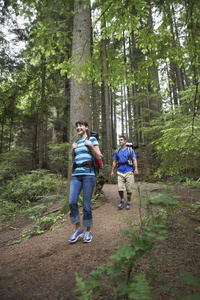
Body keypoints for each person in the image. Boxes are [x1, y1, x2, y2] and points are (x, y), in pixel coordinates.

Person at [68, 120, 101, 243]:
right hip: (76, 175)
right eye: (76, 126)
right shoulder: (75, 143)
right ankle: (78, 229)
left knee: (86, 205)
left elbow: (98, 156)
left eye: (81, 125)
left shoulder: (92, 140)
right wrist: (73, 150)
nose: (78, 128)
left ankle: (88, 231)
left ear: (86, 127)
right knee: (72, 202)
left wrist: (90, 146)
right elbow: (74, 160)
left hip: (88, 175)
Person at [110, 135, 138, 210]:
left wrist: (136, 169)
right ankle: (122, 200)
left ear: (125, 141)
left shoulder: (130, 150)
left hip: (129, 171)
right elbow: (114, 161)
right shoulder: (117, 151)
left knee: (129, 189)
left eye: (121, 140)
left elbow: (134, 159)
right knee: (120, 188)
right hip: (120, 172)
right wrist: (112, 171)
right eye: (119, 140)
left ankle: (128, 202)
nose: (120, 141)